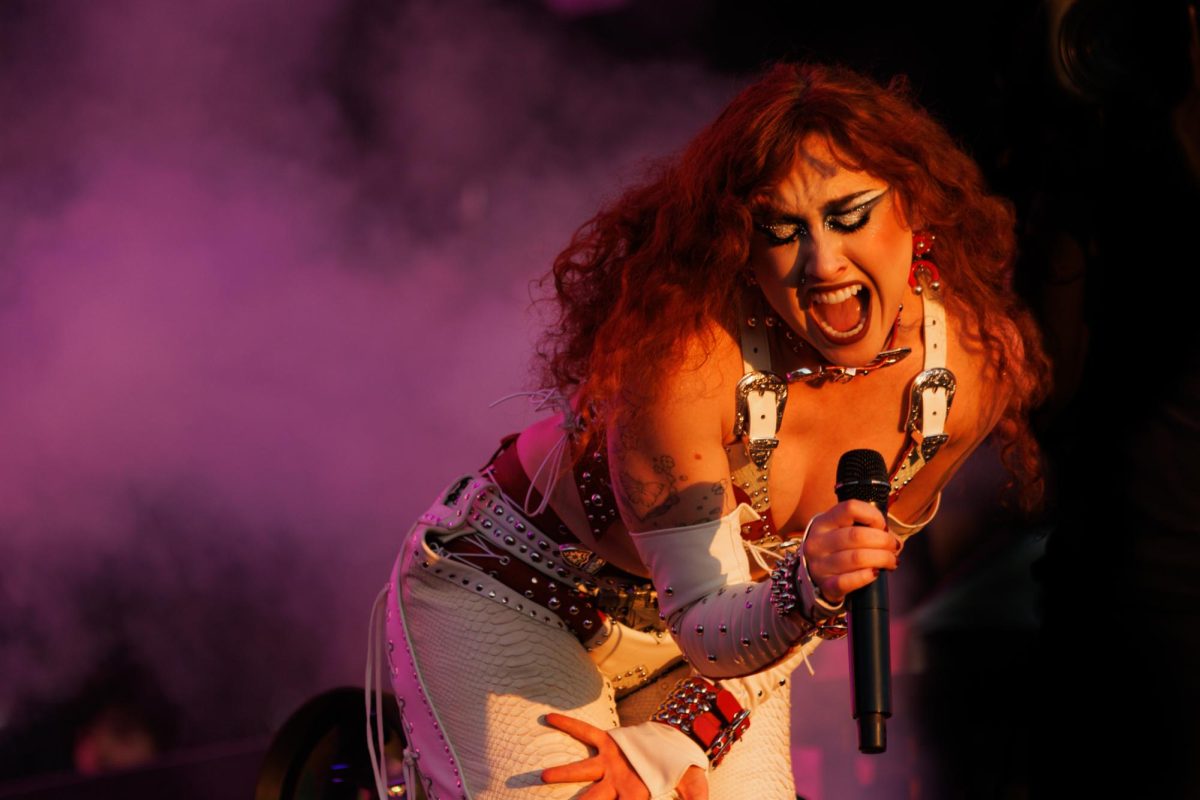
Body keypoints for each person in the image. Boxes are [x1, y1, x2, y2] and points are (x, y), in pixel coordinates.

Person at [369, 62, 1047, 800]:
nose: (823, 263)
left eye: (850, 215)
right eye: (781, 231)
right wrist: (807, 586)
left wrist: (680, 736)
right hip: (522, 595)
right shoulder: (686, 356)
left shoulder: (971, 368)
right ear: (742, 244)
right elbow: (711, 612)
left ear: (914, 207)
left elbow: (822, 599)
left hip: (726, 645)